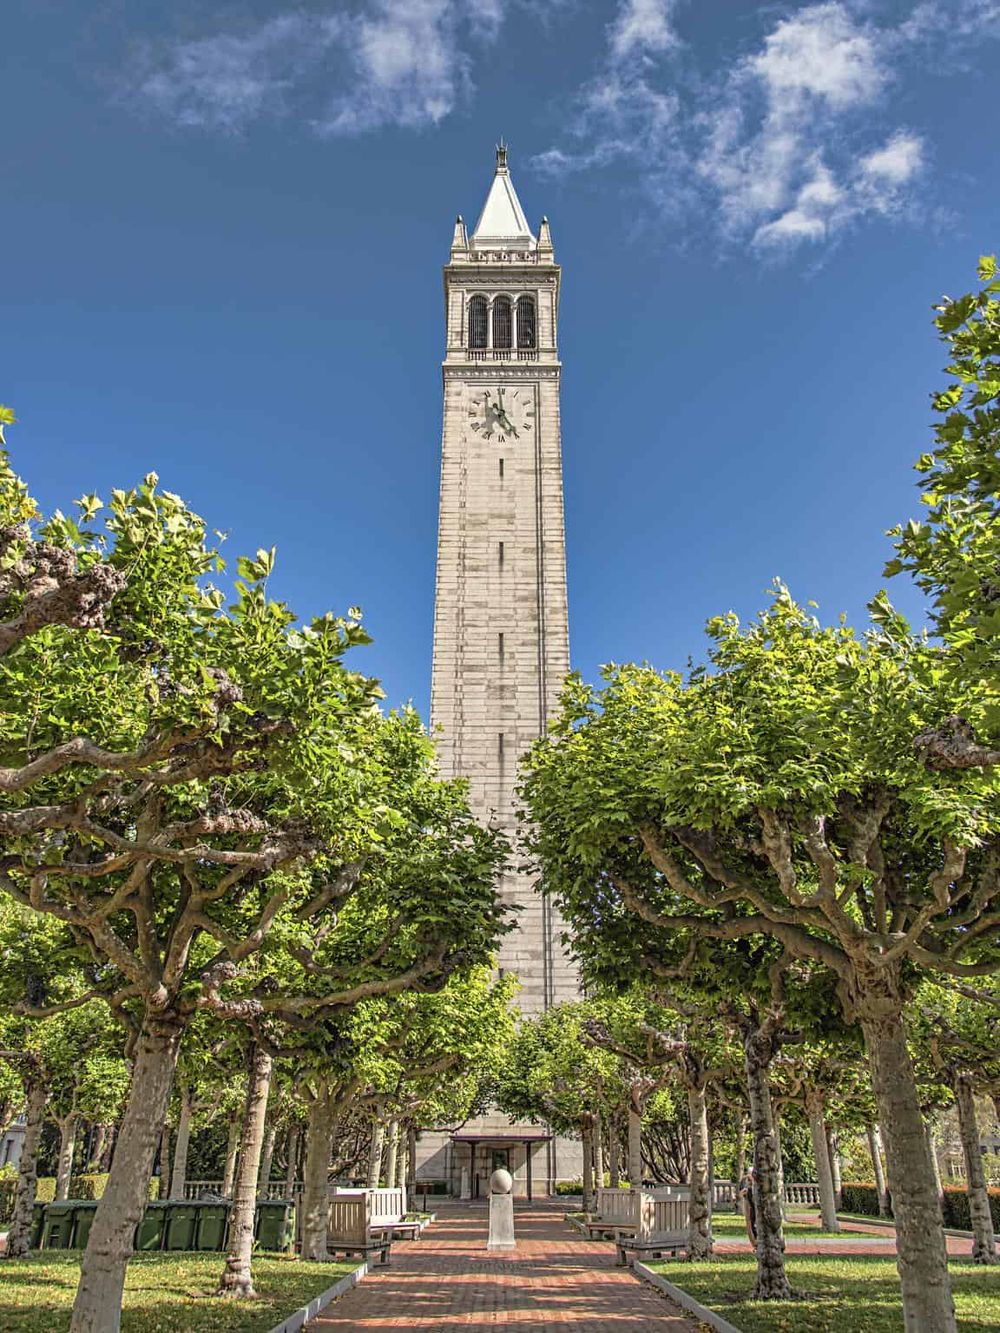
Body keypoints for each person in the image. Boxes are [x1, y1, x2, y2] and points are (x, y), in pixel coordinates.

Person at [738, 1165, 757, 1245]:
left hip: (756, 1208)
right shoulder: (745, 1182)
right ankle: (755, 1243)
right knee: (750, 1223)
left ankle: (756, 1243)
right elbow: (741, 1194)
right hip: (749, 1206)